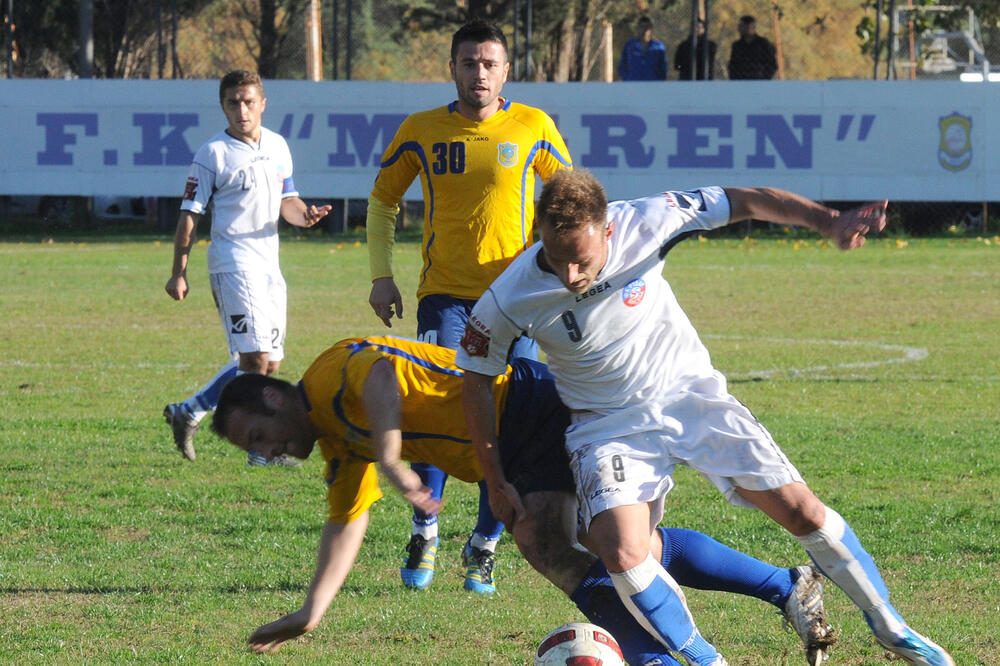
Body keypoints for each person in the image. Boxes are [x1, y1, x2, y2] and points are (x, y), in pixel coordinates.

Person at [456, 169, 955, 666]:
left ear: (608, 229)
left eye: (581, 261)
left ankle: (894, 629)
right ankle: (707, 660)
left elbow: (745, 199)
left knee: (802, 511)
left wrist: (827, 222)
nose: (569, 276)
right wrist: (494, 478)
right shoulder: (509, 294)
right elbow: (475, 378)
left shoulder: (647, 220)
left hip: (690, 396)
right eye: (556, 259)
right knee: (623, 549)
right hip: (607, 426)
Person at [210, 335, 835, 663]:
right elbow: (345, 524)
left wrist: (393, 455)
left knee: (553, 543)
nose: (266, 451)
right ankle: (784, 586)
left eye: (259, 437)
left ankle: (661, 655)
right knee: (604, 547)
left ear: (271, 397)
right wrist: (313, 611)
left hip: (520, 403)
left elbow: (379, 375)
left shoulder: (325, 375)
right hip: (503, 445)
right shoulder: (335, 446)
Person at [365, 19, 572, 594]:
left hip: (517, 301)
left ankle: (484, 544)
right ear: (450, 68)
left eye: (489, 63)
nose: (478, 73)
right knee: (437, 411)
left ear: (506, 71)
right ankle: (425, 527)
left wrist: (561, 265)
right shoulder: (422, 130)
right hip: (443, 299)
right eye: (468, 63)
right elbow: (383, 200)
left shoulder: (534, 127)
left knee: (506, 424)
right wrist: (382, 277)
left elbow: (568, 200)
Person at [163, 69, 330, 466]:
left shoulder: (277, 145)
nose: (242, 109)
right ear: (223, 106)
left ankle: (189, 411)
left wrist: (305, 215)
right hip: (233, 263)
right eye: (234, 103)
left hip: (269, 264)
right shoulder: (212, 154)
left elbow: (287, 201)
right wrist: (178, 271)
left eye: (249, 101)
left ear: (262, 104)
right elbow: (190, 215)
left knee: (269, 363)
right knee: (254, 359)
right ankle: (261, 451)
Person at [728, 15, 778, 80]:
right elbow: (732, 66)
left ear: (750, 26)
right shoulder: (737, 46)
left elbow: (772, 65)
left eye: (741, 26)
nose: (738, 28)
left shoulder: (764, 44)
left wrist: (764, 79)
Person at [618, 16, 668, 81]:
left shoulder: (658, 47)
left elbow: (663, 69)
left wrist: (658, 82)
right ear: (638, 28)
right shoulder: (630, 46)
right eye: (642, 27)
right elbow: (623, 66)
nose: (644, 30)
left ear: (651, 28)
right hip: (633, 85)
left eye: (647, 27)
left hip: (652, 85)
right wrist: (627, 78)